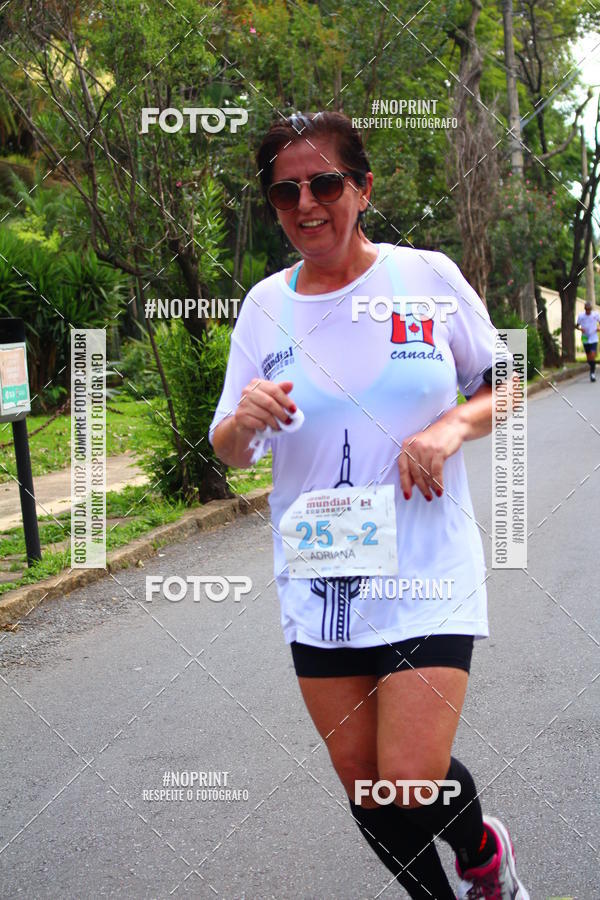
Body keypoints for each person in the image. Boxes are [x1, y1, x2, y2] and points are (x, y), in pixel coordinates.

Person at [209, 111, 529, 899]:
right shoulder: (264, 307)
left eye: (324, 183)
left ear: (362, 188)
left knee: (410, 782)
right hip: (322, 576)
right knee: (369, 789)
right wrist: (243, 421)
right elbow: (231, 447)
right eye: (285, 191)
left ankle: (482, 850)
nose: (305, 204)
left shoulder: (425, 278)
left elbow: (506, 381)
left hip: (426, 567)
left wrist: (451, 426)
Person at [576, 300, 600, 381]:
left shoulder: (595, 315)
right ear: (585, 309)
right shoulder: (581, 316)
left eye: (589, 309)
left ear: (591, 309)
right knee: (588, 357)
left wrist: (598, 328)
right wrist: (580, 329)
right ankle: (591, 367)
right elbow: (577, 326)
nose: (588, 311)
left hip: (593, 337)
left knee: (592, 355)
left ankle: (592, 374)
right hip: (585, 337)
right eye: (586, 309)